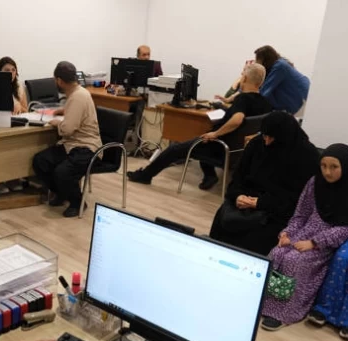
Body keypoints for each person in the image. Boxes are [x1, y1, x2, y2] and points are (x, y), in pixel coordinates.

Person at [128, 63, 271, 190]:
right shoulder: (265, 103)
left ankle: (145, 176)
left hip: (219, 146)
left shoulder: (243, 99)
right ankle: (210, 176)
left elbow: (237, 120)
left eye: (242, 74)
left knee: (174, 149)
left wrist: (215, 134)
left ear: (244, 79)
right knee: (204, 134)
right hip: (236, 150)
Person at [261, 144, 348, 331]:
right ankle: (264, 304)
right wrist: (288, 233)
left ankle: (284, 313)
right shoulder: (315, 182)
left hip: (327, 241)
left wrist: (314, 243)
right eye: (323, 166)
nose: (327, 172)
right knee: (276, 253)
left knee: (295, 260)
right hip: (304, 232)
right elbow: (300, 214)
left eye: (334, 167)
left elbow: (345, 229)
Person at [209, 112, 319, 255]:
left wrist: (260, 203)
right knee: (223, 222)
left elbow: (299, 200)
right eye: (264, 136)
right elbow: (238, 177)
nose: (266, 142)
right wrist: (238, 195)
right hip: (244, 202)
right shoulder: (257, 144)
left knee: (253, 238)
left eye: (271, 137)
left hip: (276, 212)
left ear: (284, 136)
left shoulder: (306, 156)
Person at [32, 61, 102, 218]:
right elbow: (76, 112)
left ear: (59, 80)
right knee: (41, 161)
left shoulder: (77, 97)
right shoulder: (78, 93)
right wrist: (64, 111)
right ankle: (63, 193)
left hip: (86, 147)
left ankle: (78, 203)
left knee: (62, 172)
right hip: (73, 144)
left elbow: (68, 129)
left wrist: (57, 123)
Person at [0, 56, 28, 194]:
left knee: (17, 148)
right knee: (0, 150)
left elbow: (26, 110)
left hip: (15, 125)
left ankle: (13, 178)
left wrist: (18, 106)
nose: (11, 73)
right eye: (7, 70)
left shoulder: (18, 87)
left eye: (13, 70)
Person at [254, 45, 310, 114]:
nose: (256, 63)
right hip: (299, 101)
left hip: (302, 100)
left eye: (257, 60)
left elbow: (264, 91)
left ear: (265, 60)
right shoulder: (279, 65)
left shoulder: (280, 66)